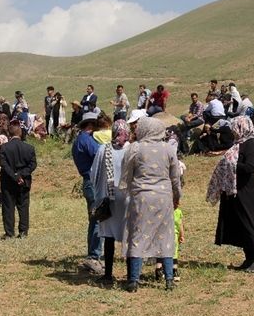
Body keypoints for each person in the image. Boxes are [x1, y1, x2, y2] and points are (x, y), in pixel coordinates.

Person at [119, 117, 182, 292]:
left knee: (138, 236)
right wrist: (177, 196)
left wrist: (130, 191)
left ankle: (133, 280)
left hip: (141, 198)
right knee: (165, 236)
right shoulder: (168, 149)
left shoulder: (135, 148)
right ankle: (169, 279)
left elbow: (126, 175)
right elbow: (175, 177)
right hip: (164, 198)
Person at [206, 116, 254, 273]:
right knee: (240, 224)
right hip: (233, 190)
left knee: (249, 224)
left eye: (235, 128)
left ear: (242, 127)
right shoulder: (237, 145)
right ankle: (249, 258)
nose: (232, 131)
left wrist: (230, 164)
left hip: (246, 191)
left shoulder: (252, 145)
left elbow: (250, 167)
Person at [89, 119, 131, 283]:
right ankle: (130, 275)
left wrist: (98, 193)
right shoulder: (133, 149)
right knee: (129, 237)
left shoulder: (103, 149)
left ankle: (108, 275)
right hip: (128, 198)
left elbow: (94, 174)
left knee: (108, 237)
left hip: (108, 199)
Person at [72, 115, 103, 273]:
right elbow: (100, 154)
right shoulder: (87, 140)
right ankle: (94, 256)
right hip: (93, 180)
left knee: (94, 220)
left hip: (88, 180)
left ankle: (93, 255)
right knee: (99, 219)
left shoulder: (79, 140)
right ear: (91, 125)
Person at [0, 125, 37, 239]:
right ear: (20, 133)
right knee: (23, 207)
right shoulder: (29, 148)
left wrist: (15, 176)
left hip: (8, 182)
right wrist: (22, 175)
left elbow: (4, 165)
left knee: (8, 208)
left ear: (9, 134)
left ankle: (9, 233)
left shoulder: (4, 148)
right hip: (24, 182)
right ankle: (23, 232)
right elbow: (33, 164)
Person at [155, 199, 185, 281]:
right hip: (172, 236)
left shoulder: (161, 211)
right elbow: (180, 225)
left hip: (161, 236)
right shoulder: (177, 212)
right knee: (173, 254)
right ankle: (174, 271)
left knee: (161, 253)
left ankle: (159, 271)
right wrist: (182, 235)